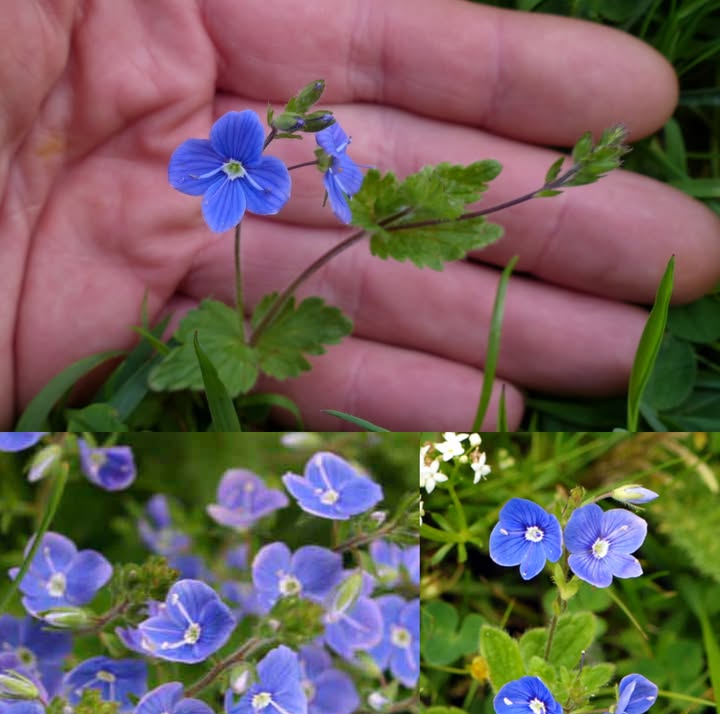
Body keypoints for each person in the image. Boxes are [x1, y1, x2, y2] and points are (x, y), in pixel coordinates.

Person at [2, 0, 719, 431]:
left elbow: (290, 173)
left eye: (244, 164)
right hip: (243, 177)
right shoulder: (240, 161)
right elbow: (242, 172)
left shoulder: (285, 168)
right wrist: (251, 161)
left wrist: (312, 164)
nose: (236, 168)